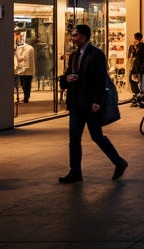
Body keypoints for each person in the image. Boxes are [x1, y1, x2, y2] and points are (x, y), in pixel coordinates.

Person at [58, 24, 127, 183]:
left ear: (84, 36)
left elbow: (100, 80)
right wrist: (67, 79)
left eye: (75, 35)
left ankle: (119, 161)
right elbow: (69, 74)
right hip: (76, 103)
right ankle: (75, 171)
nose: (73, 38)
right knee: (74, 138)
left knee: (96, 136)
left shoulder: (96, 54)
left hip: (90, 104)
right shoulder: (74, 56)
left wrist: (97, 101)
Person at [127, 31, 144, 97]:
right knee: (143, 80)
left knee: (137, 80)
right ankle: (141, 93)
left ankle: (139, 94)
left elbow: (131, 56)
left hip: (138, 66)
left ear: (136, 38)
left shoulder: (136, 47)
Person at [15, 35, 36, 103]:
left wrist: (17, 53)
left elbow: (23, 59)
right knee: (24, 84)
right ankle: (26, 97)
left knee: (26, 84)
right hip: (22, 69)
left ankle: (26, 97)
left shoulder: (29, 48)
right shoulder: (20, 48)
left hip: (26, 70)